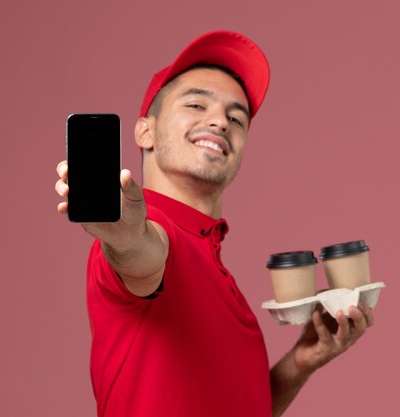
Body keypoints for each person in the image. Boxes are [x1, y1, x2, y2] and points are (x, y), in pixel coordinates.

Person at [55, 30, 374, 417]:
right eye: (195, 104)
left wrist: (302, 361)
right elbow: (141, 252)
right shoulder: (157, 233)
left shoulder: (217, 268)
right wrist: (122, 232)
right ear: (146, 131)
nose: (220, 122)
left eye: (236, 118)